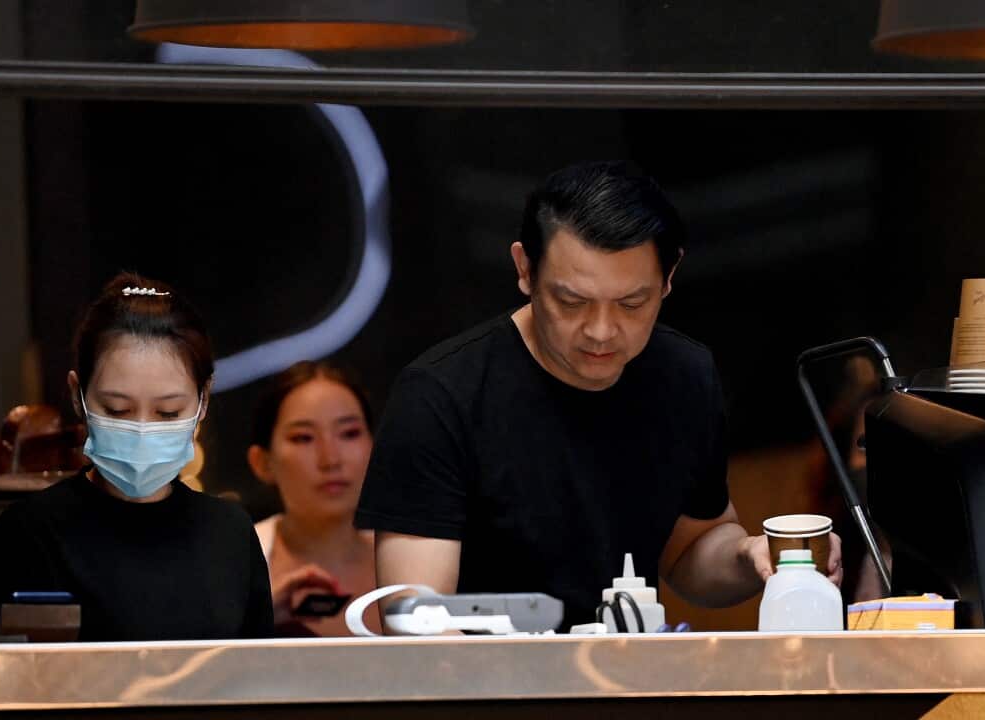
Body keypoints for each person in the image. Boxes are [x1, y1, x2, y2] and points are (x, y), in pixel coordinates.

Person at [356, 162, 842, 631]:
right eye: (571, 302)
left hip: (628, 684)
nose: (602, 331)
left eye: (632, 303)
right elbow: (416, 618)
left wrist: (748, 556)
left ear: (669, 278)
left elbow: (690, 549)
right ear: (524, 270)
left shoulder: (684, 376)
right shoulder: (442, 395)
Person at [0, 272, 274, 641]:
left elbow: (254, 680)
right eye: (118, 410)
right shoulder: (29, 534)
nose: (141, 429)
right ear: (78, 396)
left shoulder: (229, 536)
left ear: (203, 401)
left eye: (167, 413)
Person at [247, 361, 378, 635]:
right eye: (303, 438)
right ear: (262, 462)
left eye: (350, 433)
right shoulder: (234, 566)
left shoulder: (411, 557)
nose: (330, 459)